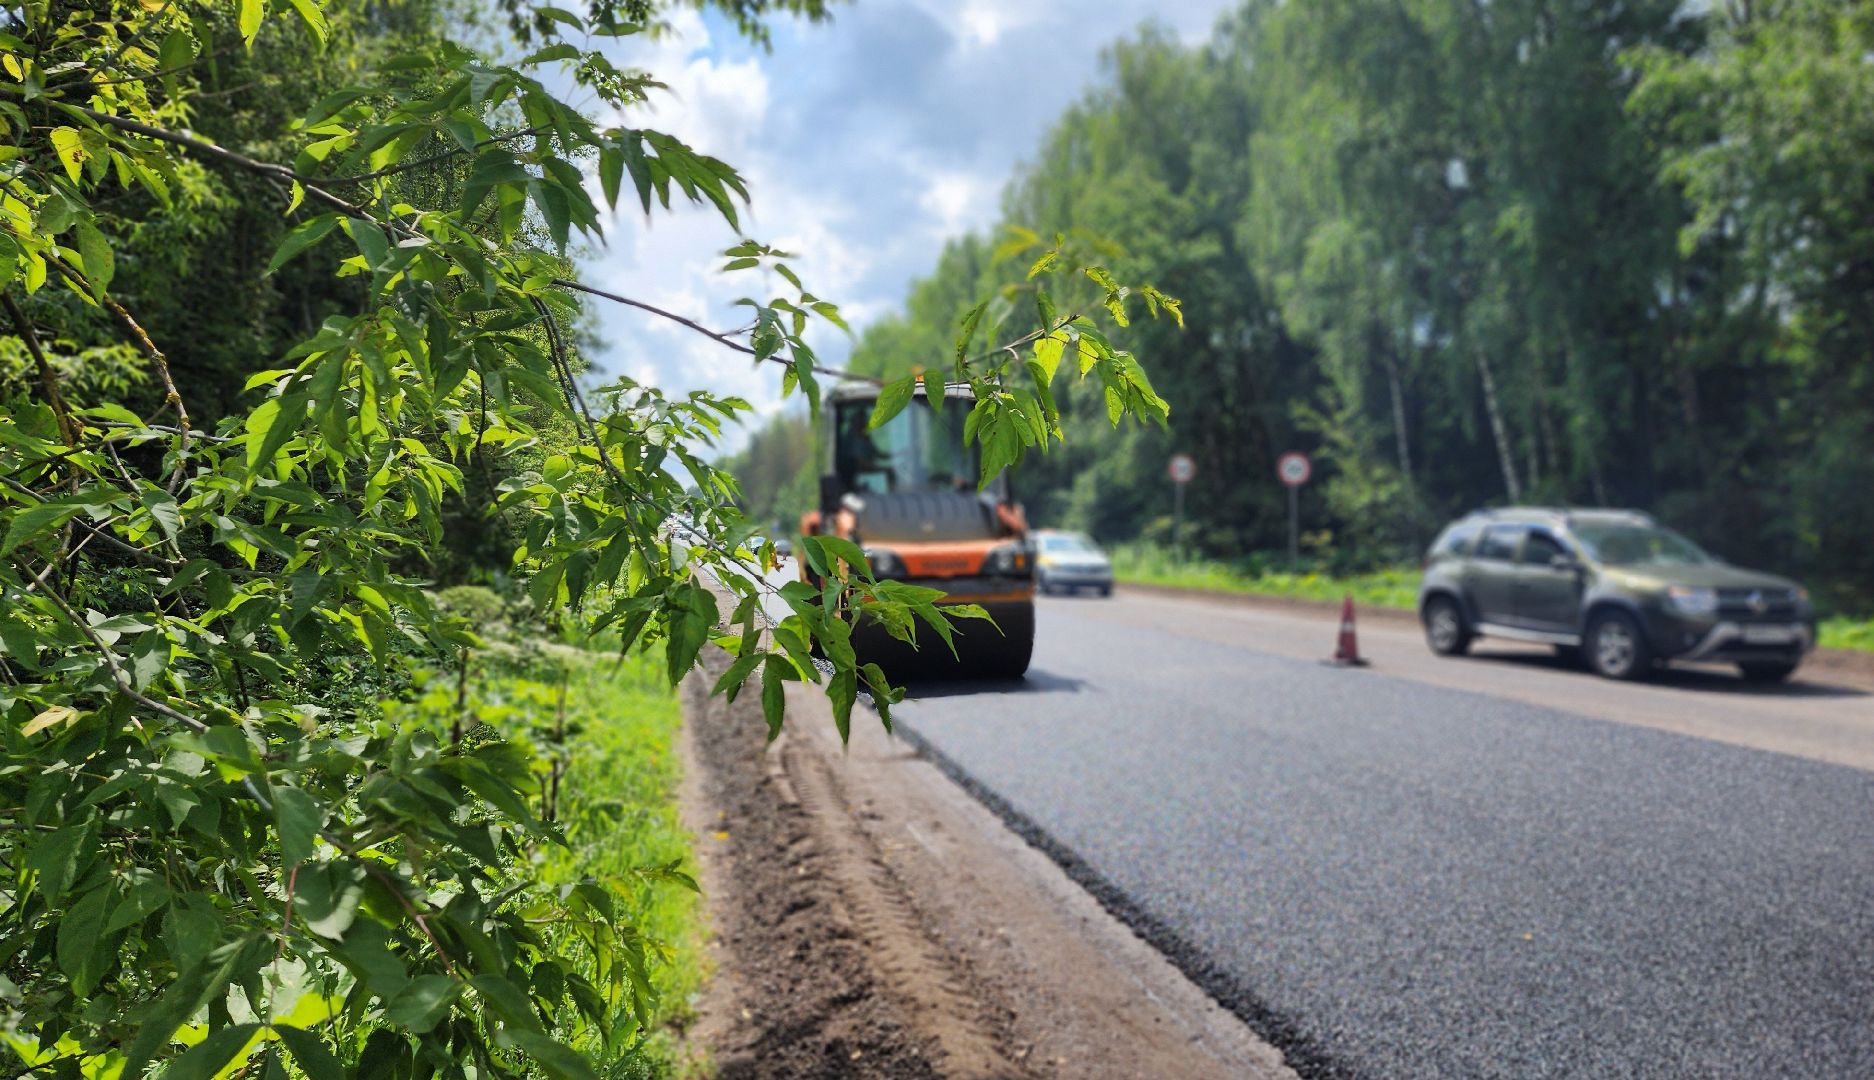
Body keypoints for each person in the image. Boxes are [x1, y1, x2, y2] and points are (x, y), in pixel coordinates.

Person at [835, 408, 893, 487]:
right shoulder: (851, 439)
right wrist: (883, 469)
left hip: (867, 472)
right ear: (856, 422)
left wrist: (897, 454)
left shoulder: (865, 437)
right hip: (854, 480)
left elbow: (877, 453)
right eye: (863, 421)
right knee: (889, 472)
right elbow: (861, 463)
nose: (866, 423)